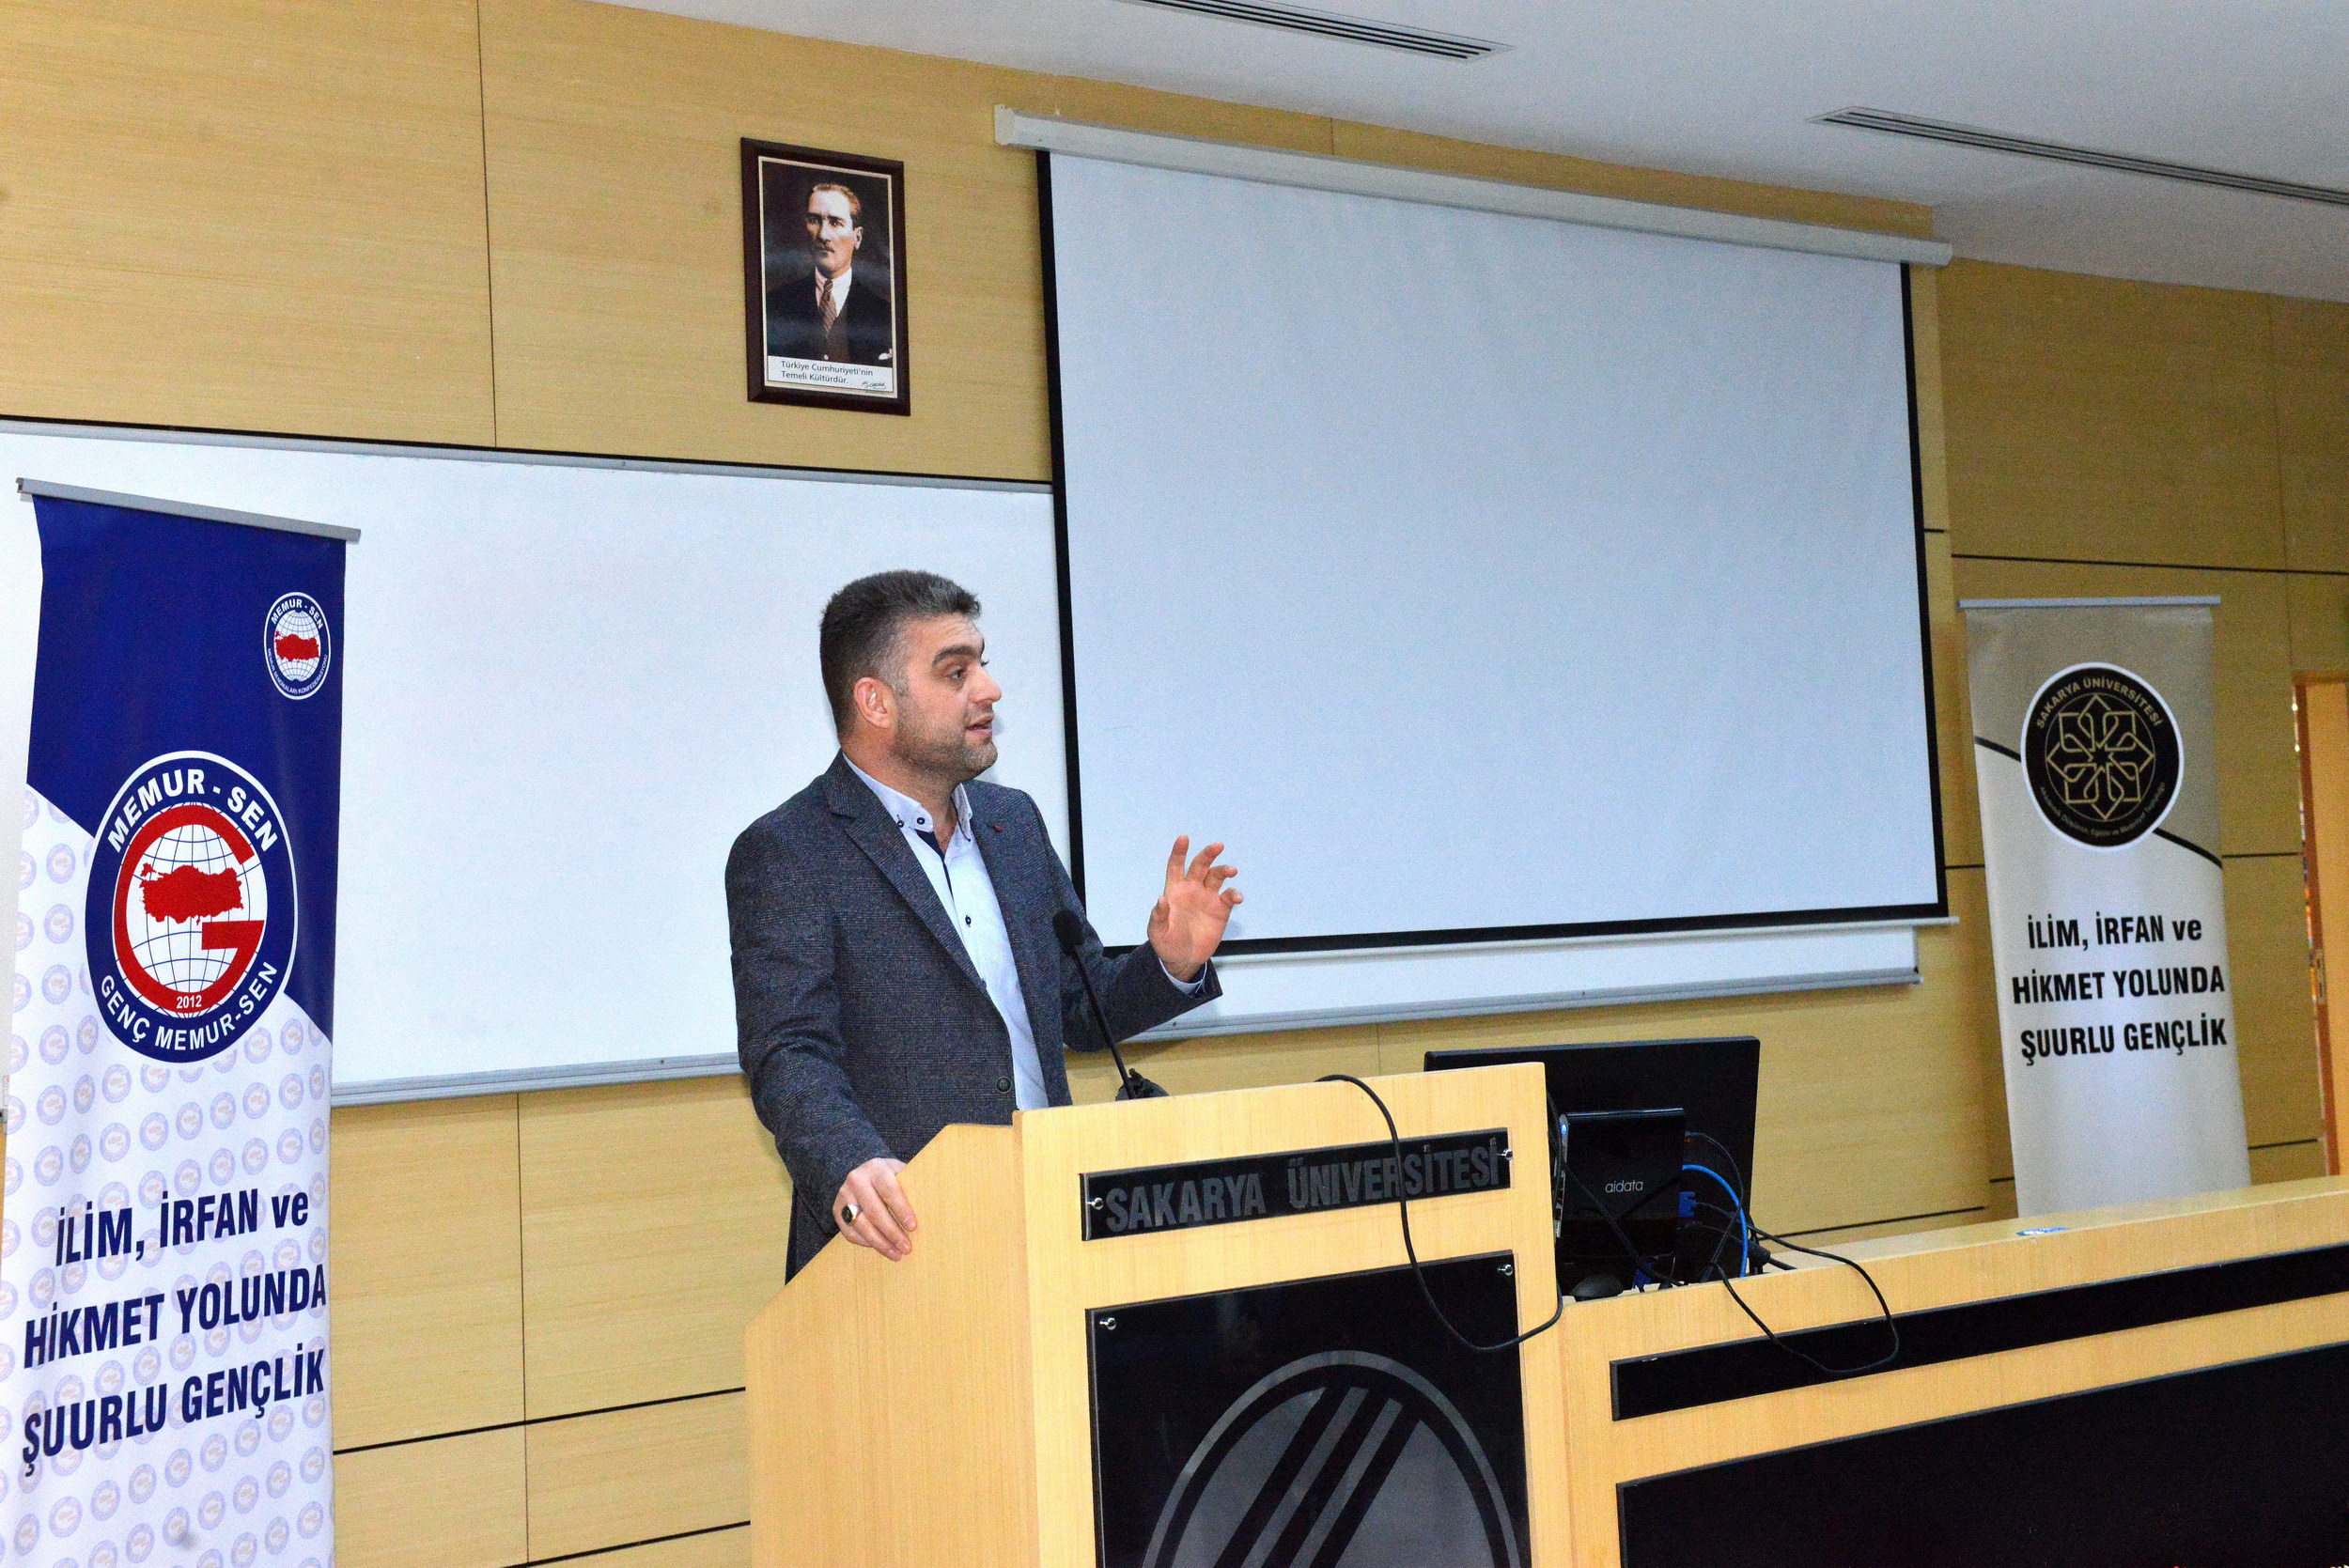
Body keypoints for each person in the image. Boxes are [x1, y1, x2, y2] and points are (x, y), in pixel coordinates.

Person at [727, 571, 1239, 1276]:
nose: (990, 690)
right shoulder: (791, 850)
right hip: (904, 1240)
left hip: (1053, 1219)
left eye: (983, 664)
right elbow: (788, 1049)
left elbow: (1078, 1007)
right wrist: (848, 1161)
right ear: (875, 701)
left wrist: (1170, 964)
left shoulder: (1013, 823)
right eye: (956, 671)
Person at [764, 179, 895, 368]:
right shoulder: (774, 305)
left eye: (835, 222)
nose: (822, 235)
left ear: (857, 237)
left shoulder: (885, 315)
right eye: (814, 220)